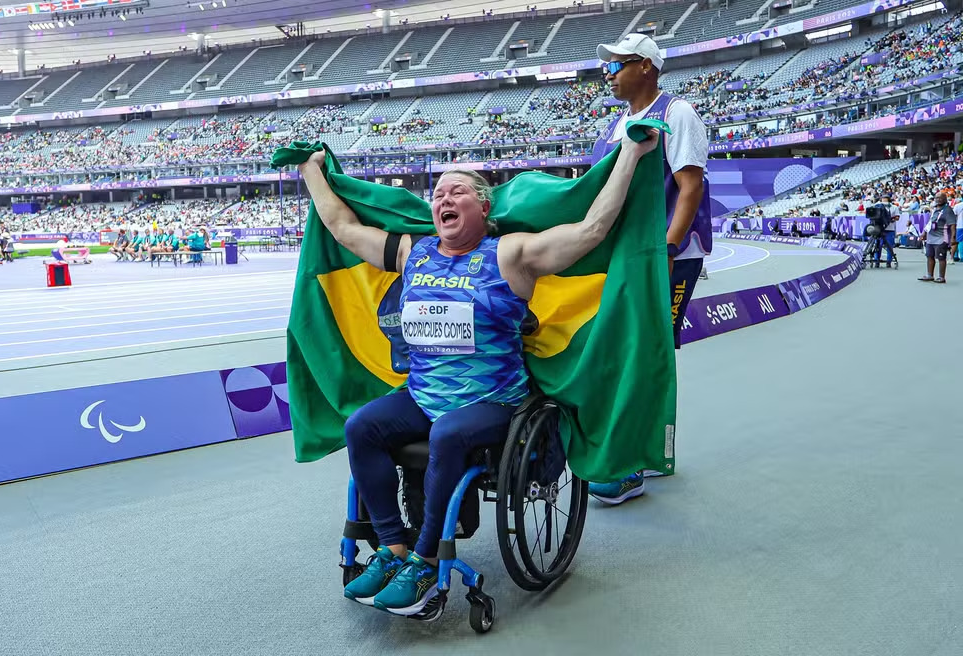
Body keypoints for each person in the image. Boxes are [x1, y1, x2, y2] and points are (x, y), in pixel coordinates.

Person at [298, 129, 660, 615]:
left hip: (493, 401)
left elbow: (592, 230)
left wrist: (632, 155)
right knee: (361, 427)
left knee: (448, 434)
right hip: (424, 393)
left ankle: (427, 560)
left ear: (484, 208)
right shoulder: (414, 252)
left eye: (458, 191)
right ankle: (394, 549)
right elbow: (343, 228)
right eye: (439, 193)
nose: (445, 198)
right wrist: (311, 173)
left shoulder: (510, 254)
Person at [588, 33, 711, 504]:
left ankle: (632, 465)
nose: (609, 74)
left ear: (645, 66)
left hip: (663, 255)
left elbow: (690, 187)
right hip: (626, 256)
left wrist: (669, 247)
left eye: (617, 65)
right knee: (641, 349)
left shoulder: (676, 113)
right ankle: (653, 452)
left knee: (644, 350)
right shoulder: (618, 123)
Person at [919, 192, 957, 283]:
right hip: (931, 236)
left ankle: (941, 277)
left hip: (941, 237)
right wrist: (924, 233)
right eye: (936, 198)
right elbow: (930, 223)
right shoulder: (935, 209)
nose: (938, 199)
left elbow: (952, 225)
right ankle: (929, 275)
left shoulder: (948, 210)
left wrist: (953, 238)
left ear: (945, 199)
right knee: (929, 256)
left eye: (940, 198)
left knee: (941, 257)